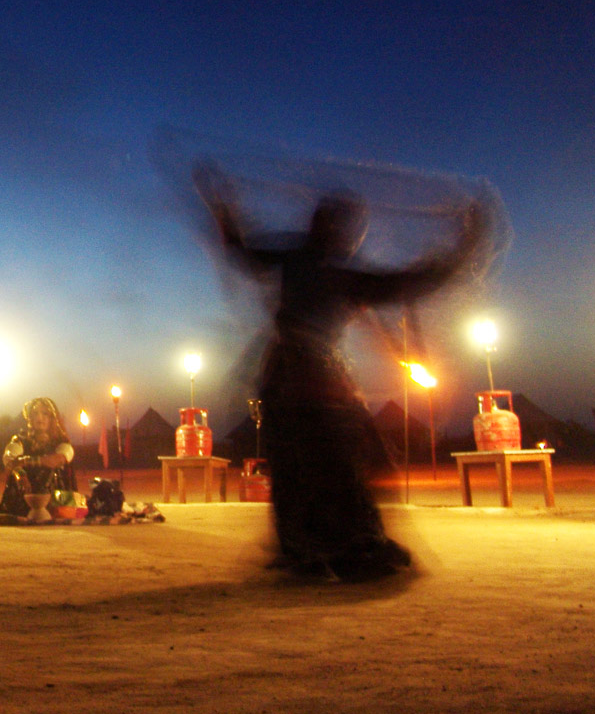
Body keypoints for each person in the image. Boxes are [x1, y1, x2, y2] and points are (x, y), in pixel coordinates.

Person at [195, 164, 491, 581]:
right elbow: (413, 282)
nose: (346, 237)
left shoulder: (305, 261)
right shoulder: (329, 270)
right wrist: (468, 241)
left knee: (307, 462)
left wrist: (223, 209)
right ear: (335, 232)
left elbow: (241, 250)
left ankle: (316, 548)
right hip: (307, 374)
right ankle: (346, 547)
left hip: (290, 373)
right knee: (340, 458)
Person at [0, 397, 76, 516]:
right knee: (16, 471)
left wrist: (24, 461)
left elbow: (56, 460)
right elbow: (9, 460)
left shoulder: (62, 442)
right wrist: (21, 474)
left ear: (52, 419)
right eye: (35, 414)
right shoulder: (19, 441)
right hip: (23, 496)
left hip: (56, 499)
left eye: (45, 414)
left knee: (50, 470)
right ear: (30, 419)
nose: (40, 418)